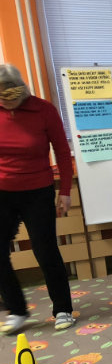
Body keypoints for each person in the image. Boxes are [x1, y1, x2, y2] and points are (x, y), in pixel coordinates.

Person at [0, 63, 75, 333]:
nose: (8, 105)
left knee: (45, 250)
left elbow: (62, 152)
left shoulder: (43, 110)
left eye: (12, 99)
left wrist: (64, 191)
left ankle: (63, 309)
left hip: (37, 191)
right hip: (2, 193)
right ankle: (17, 310)